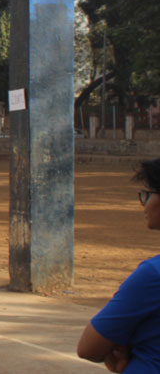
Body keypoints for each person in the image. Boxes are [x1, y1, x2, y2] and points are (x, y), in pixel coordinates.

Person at [78, 158, 160, 372]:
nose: (145, 202)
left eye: (149, 194)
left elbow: (89, 348)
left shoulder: (153, 274)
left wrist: (128, 353)